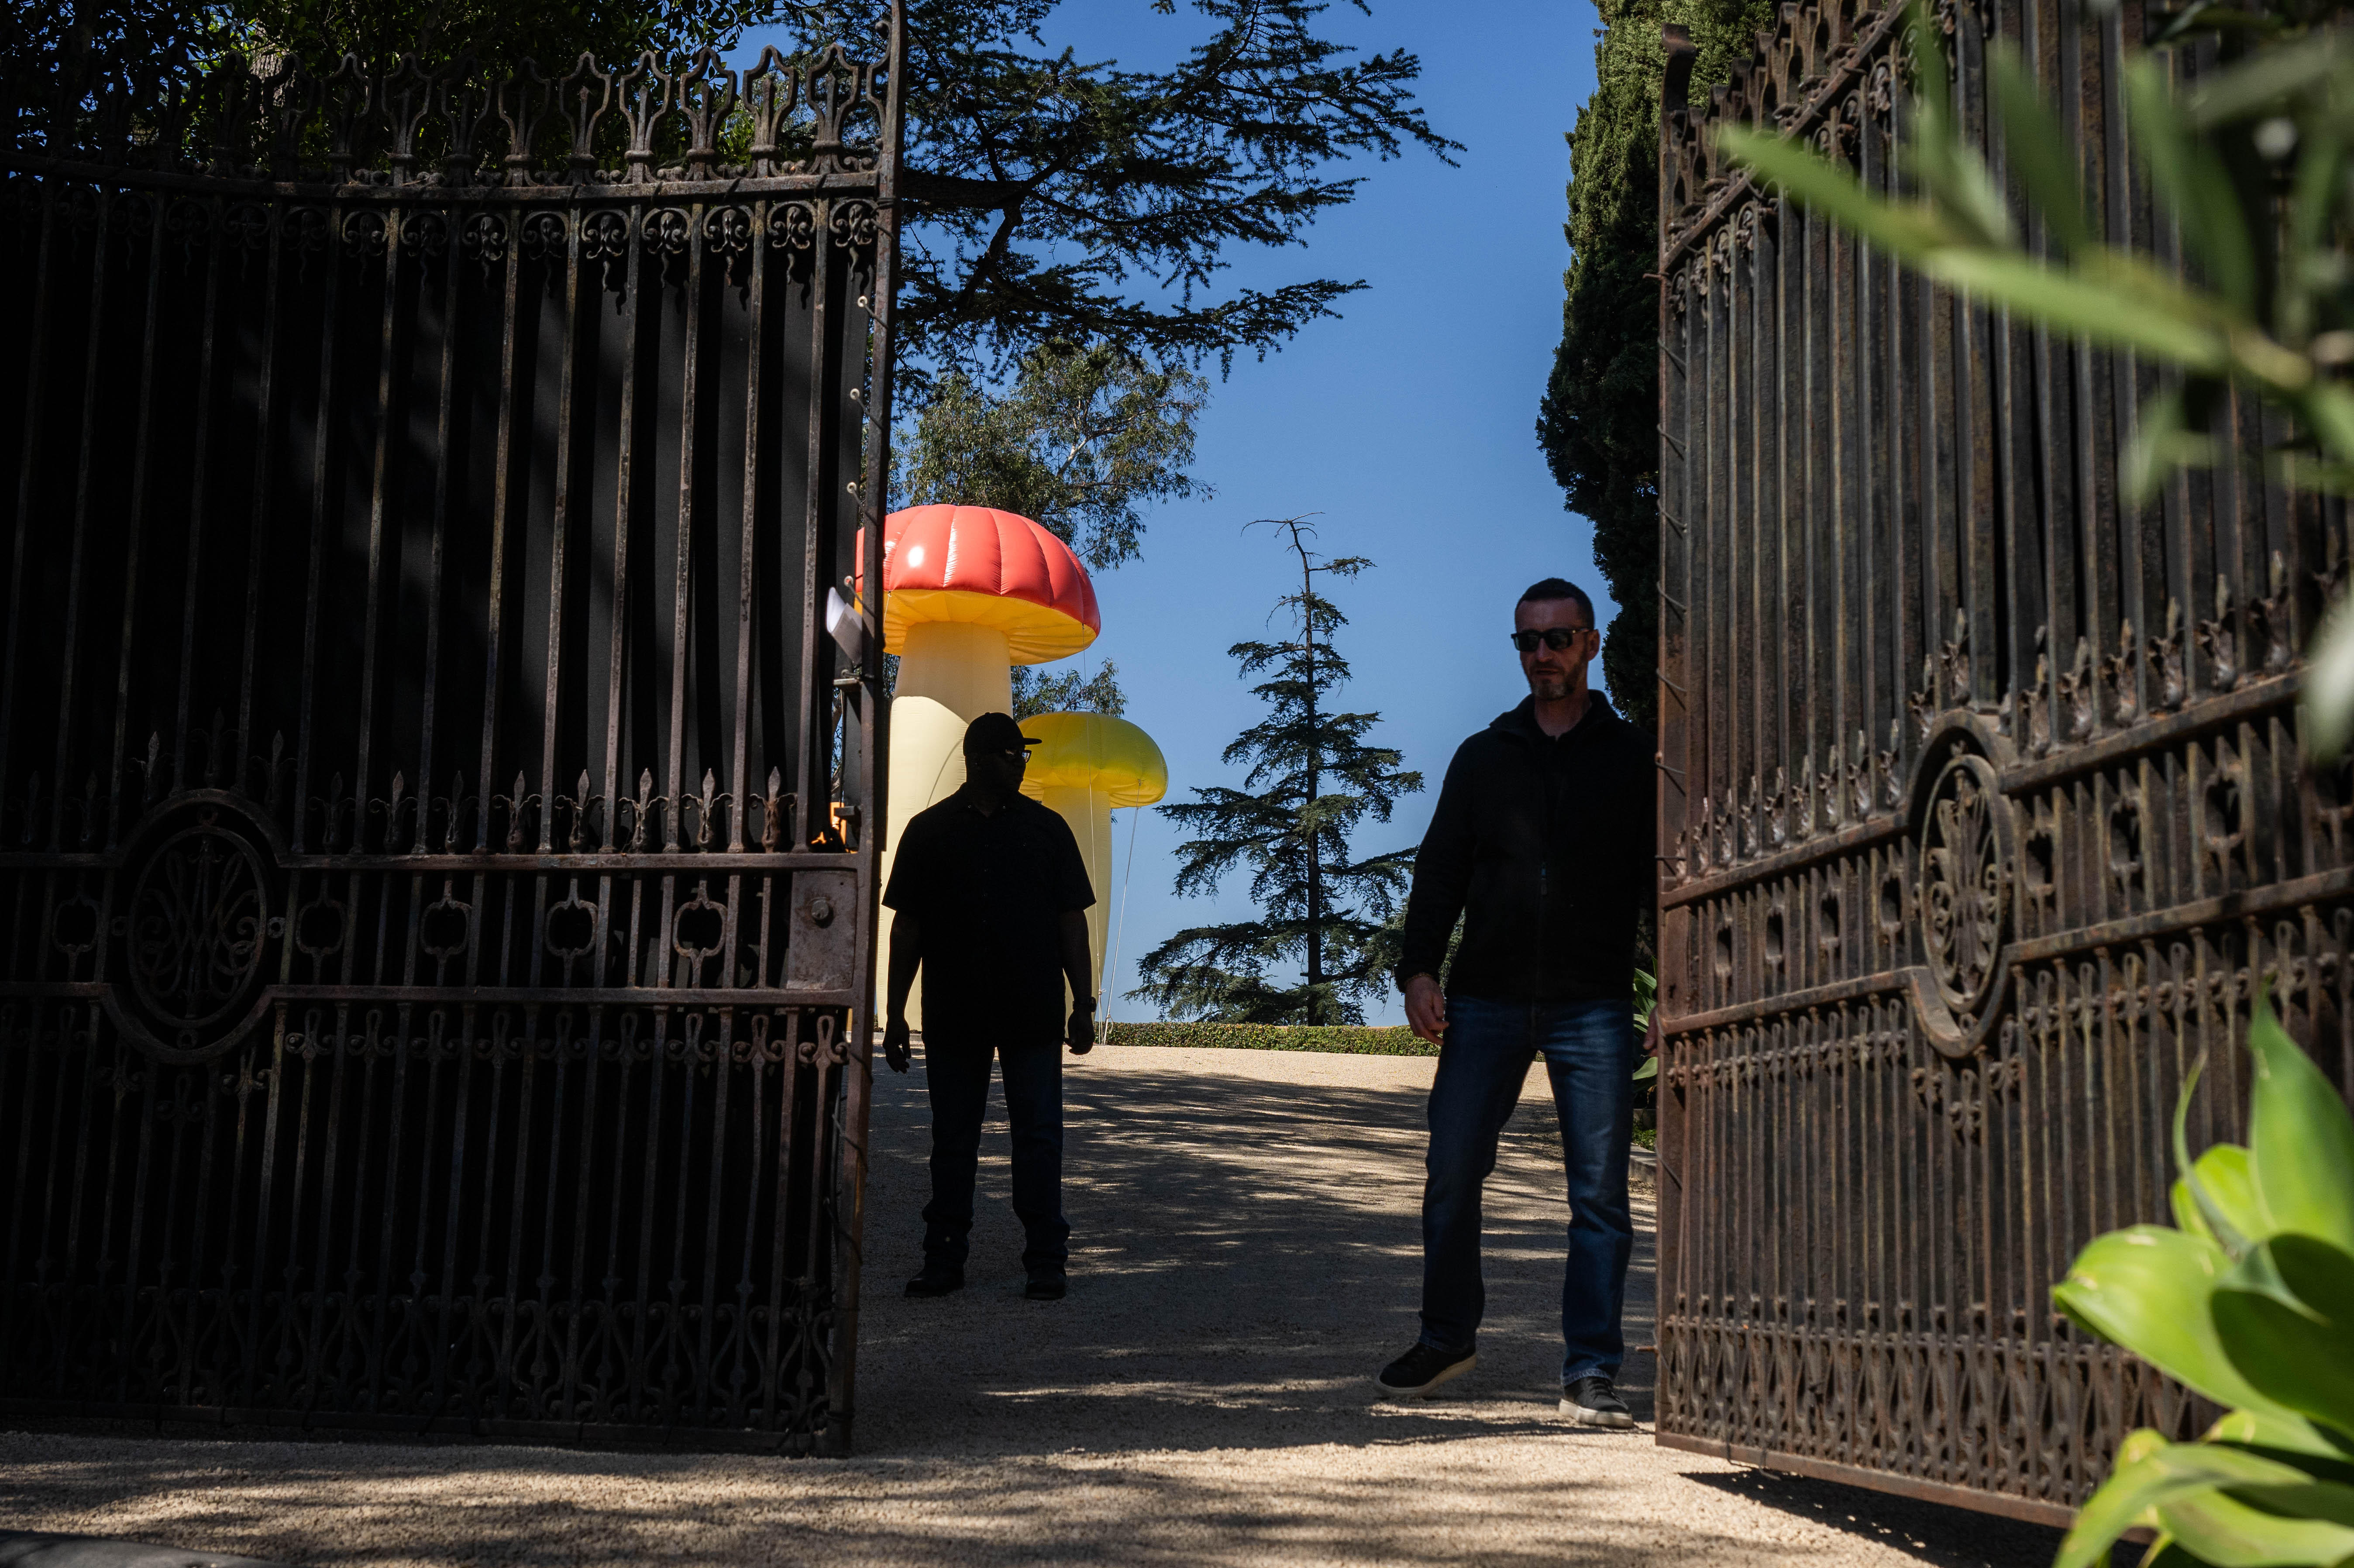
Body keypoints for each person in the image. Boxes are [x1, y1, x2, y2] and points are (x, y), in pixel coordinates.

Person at [1375, 578, 1657, 1428]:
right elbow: (1439, 870)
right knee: (1452, 1172)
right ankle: (1446, 1334)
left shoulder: (1632, 758)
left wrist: (1677, 985)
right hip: (1485, 1000)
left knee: (1599, 1196)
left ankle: (1589, 1369)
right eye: (1527, 643)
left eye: (1558, 639)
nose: (1543, 656)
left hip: (1593, 1006)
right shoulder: (1482, 755)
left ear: (1590, 644)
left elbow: (1663, 881)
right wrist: (1417, 969)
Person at [881, 711, 1098, 1302]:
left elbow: (1070, 923)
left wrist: (1084, 1002)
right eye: (1010, 754)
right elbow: (908, 929)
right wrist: (896, 1014)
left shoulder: (1048, 829)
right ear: (977, 758)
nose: (1020, 763)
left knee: (1039, 1137)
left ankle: (1047, 1261)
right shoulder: (928, 832)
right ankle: (943, 1260)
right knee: (953, 1140)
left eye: (1022, 754)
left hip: (1031, 1013)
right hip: (954, 1014)